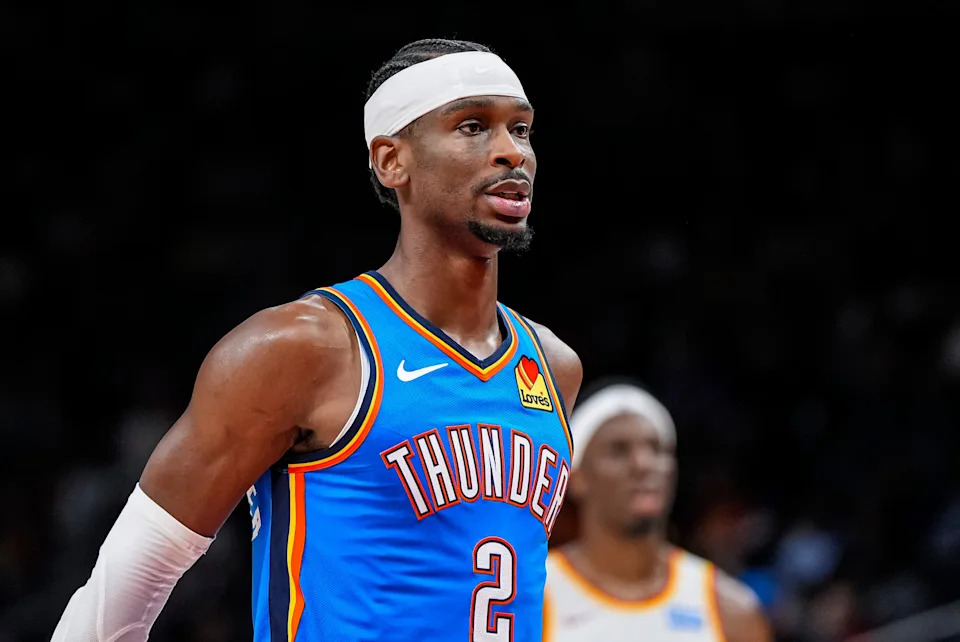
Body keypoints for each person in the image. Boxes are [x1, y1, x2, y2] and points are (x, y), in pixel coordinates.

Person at [52, 37, 582, 642]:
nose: (511, 152)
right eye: (472, 127)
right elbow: (127, 583)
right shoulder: (303, 348)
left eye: (522, 129)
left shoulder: (553, 366)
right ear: (392, 161)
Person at [543, 379, 772, 642]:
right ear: (577, 477)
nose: (643, 464)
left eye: (657, 449)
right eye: (619, 451)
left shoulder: (731, 611)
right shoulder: (533, 597)